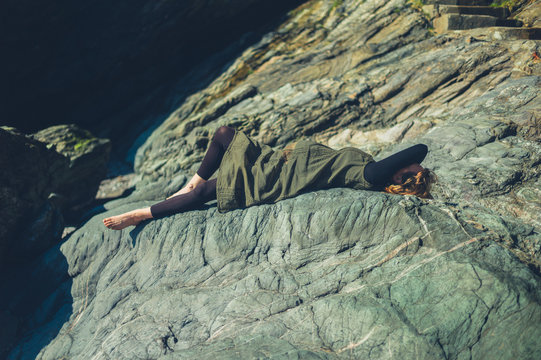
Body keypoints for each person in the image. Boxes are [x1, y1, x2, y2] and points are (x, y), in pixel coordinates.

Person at [103, 126, 435, 230]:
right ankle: (179, 192)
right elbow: (416, 154)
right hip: (278, 164)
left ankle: (141, 213)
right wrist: (419, 178)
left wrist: (420, 173)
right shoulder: (375, 173)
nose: (410, 162)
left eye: (411, 168)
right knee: (206, 185)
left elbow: (419, 147)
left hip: (276, 175)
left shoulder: (373, 174)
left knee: (221, 140)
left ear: (402, 172)